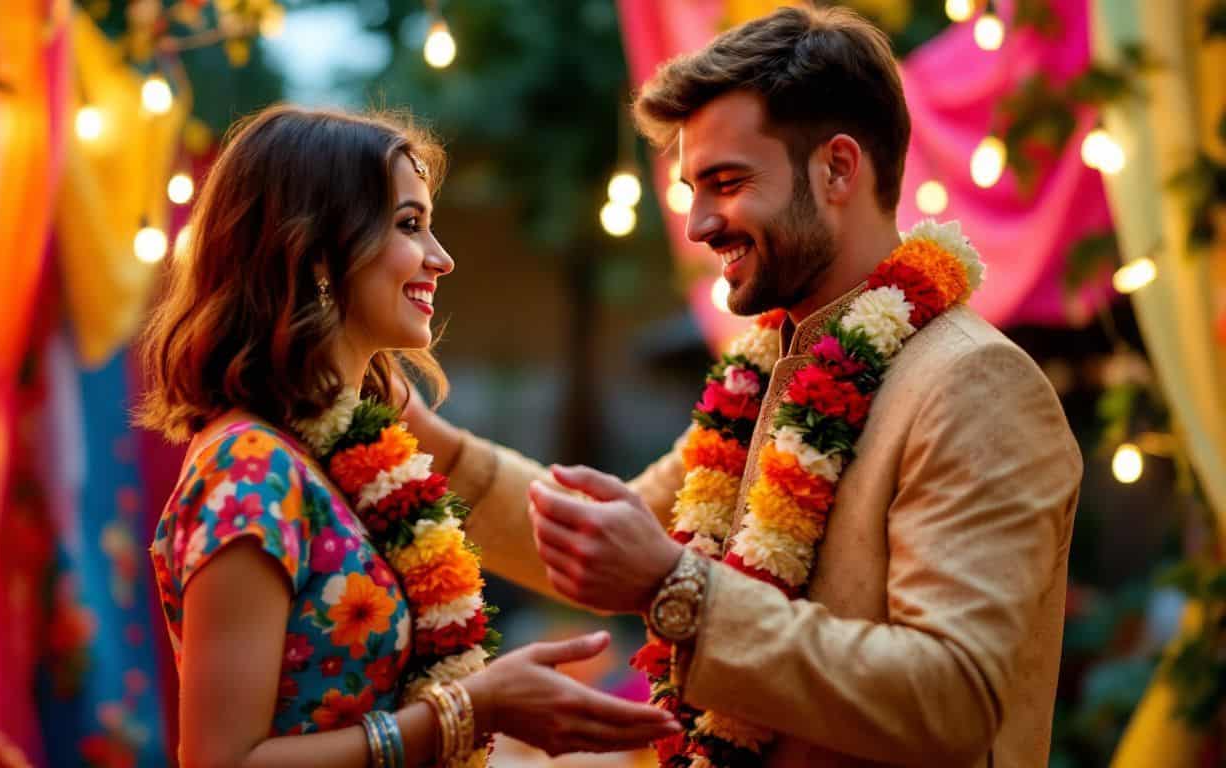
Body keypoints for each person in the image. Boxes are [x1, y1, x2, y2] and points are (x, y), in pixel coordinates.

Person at [404, 5, 1082, 766]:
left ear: (837, 169)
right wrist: (416, 435)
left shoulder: (976, 385)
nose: (696, 224)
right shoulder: (768, 374)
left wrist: (676, 586)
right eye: (692, 187)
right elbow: (600, 543)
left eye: (725, 183)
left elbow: (952, 700)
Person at [136, 105, 680, 768]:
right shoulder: (249, 467)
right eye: (410, 225)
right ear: (314, 253)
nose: (442, 259)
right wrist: (472, 710)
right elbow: (220, 761)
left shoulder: (342, 459)